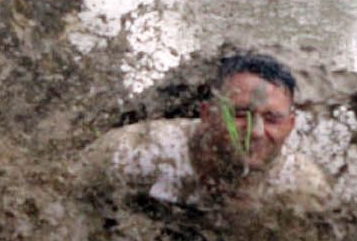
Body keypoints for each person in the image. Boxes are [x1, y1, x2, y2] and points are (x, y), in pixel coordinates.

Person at [70, 54, 331, 208]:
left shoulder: (301, 186)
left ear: (291, 125)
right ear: (207, 116)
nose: (256, 132)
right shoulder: (134, 151)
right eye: (240, 115)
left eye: (273, 119)